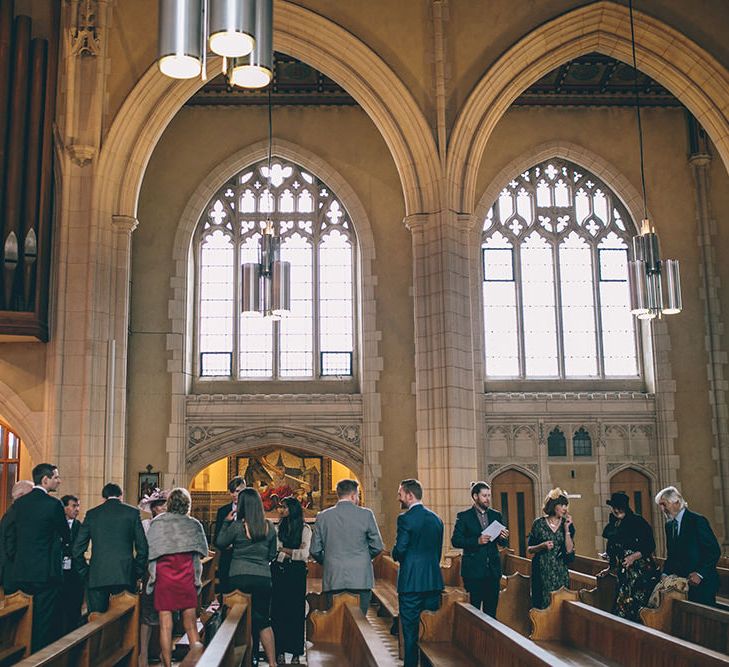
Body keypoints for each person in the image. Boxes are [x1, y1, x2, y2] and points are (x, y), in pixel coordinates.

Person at [4, 463, 70, 651]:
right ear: (45, 479)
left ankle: (19, 653)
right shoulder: (53, 504)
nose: (59, 480)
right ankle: (38, 657)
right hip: (45, 573)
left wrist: (16, 557)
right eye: (56, 477)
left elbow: (11, 534)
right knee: (43, 620)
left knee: (22, 617)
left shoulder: (20, 504)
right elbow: (65, 535)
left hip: (22, 571)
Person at [146, 487, 209, 667]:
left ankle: (166, 665)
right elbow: (203, 551)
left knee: (165, 626)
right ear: (187, 504)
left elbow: (150, 551)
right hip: (186, 576)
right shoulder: (194, 524)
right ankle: (198, 663)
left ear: (169, 503)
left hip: (164, 579)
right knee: (190, 625)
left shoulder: (157, 523)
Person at [216, 488, 278, 667]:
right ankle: (272, 663)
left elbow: (220, 543)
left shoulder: (237, 526)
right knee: (264, 621)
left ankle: (247, 662)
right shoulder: (269, 526)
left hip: (239, 577)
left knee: (242, 621)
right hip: (262, 578)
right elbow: (272, 554)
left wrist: (226, 523)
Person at [310, 478, 384, 615]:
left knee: (334, 622)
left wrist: (327, 560)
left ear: (339, 494)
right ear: (353, 495)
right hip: (360, 576)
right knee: (360, 622)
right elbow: (377, 546)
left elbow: (314, 549)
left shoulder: (323, 516)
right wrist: (364, 557)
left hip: (334, 575)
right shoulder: (366, 514)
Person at [73, 482, 148, 613]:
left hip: (97, 575)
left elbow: (77, 549)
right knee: (125, 621)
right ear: (121, 496)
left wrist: (86, 572)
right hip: (124, 575)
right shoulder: (132, 513)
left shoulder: (93, 514)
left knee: (96, 621)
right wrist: (136, 572)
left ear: (103, 497)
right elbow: (143, 548)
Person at [392, 479, 444, 667]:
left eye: (400, 493)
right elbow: (438, 552)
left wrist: (394, 552)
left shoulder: (405, 518)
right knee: (429, 630)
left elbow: (401, 549)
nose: (399, 497)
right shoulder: (436, 519)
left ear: (409, 495)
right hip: (433, 581)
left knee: (410, 631)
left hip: (411, 582)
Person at [451, 481, 509, 618]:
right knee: (474, 612)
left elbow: (502, 543)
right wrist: (477, 541)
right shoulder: (464, 516)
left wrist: (504, 537)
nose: (488, 499)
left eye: (489, 495)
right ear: (475, 496)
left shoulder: (496, 515)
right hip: (473, 571)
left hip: (492, 571)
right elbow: (455, 541)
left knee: (491, 612)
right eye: (484, 496)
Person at [655, 485, 721, 606]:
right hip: (681, 585)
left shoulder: (697, 521)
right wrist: (665, 573)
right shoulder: (669, 526)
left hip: (702, 583)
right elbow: (672, 554)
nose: (662, 509)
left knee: (702, 623)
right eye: (660, 505)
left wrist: (700, 574)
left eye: (664, 504)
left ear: (676, 502)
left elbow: (714, 551)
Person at [601, 491, 659, 621]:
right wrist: (610, 567)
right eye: (614, 507)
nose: (616, 510)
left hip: (640, 570)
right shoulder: (614, 523)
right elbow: (612, 547)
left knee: (635, 603)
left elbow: (649, 545)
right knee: (622, 604)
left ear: (625, 507)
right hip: (624, 570)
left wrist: (633, 557)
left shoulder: (638, 522)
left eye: (619, 508)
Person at [271, 497, 311, 666]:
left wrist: (285, 551)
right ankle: (279, 650)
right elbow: (275, 550)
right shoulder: (278, 528)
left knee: (296, 612)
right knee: (278, 612)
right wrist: (291, 552)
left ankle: (295, 652)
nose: (282, 511)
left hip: (297, 573)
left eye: (285, 508)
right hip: (280, 572)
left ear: (293, 510)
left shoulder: (305, 529)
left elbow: (304, 554)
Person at [527, 488, 575, 609]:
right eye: (562, 505)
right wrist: (541, 546)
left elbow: (569, 550)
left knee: (560, 604)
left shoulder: (566, 524)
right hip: (541, 570)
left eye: (566, 506)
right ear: (554, 506)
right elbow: (530, 549)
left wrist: (567, 529)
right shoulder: (538, 524)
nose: (565, 509)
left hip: (560, 571)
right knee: (542, 604)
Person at [138, 489, 168, 667]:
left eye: (166, 505)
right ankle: (143, 654)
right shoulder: (146, 524)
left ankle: (163, 653)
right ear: (155, 508)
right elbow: (142, 549)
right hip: (151, 571)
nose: (165, 508)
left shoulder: (171, 524)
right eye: (162, 505)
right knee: (148, 614)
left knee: (165, 614)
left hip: (167, 570)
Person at [0, 479, 33, 594]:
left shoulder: (15, 512)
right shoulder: (15, 515)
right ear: (20, 496)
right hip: (15, 575)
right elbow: (11, 547)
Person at [214, 476, 245, 595]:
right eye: (231, 491)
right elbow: (216, 539)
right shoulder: (223, 511)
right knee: (226, 596)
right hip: (227, 559)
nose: (234, 494)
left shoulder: (250, 510)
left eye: (237, 491)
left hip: (243, 560)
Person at [60, 494, 84, 633]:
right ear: (64, 508)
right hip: (59, 573)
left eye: (78, 506)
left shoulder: (79, 525)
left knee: (74, 607)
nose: (77, 509)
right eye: (74, 506)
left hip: (75, 573)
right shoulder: (57, 524)